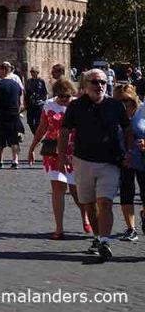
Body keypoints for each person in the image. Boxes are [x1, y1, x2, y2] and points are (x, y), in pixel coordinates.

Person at [59, 68, 134, 262]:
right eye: (95, 82)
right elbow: (65, 131)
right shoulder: (75, 107)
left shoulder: (115, 106)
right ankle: (96, 237)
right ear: (84, 86)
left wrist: (128, 152)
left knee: (105, 202)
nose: (100, 85)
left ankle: (104, 240)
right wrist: (61, 156)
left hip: (110, 162)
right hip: (83, 161)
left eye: (102, 82)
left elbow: (127, 129)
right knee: (89, 204)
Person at [28, 78, 83, 239]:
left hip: (74, 152)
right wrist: (32, 147)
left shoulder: (78, 105)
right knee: (58, 189)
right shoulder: (49, 105)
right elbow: (42, 128)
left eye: (67, 96)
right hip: (53, 152)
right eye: (61, 96)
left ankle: (85, 214)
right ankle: (59, 228)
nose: (65, 99)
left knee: (76, 191)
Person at [113, 84, 145, 242]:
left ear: (133, 97)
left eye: (126, 99)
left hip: (143, 157)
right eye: (118, 100)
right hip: (123, 158)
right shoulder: (113, 113)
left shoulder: (143, 110)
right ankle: (131, 229)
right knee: (126, 193)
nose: (123, 103)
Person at [0, 61, 25, 169]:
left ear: (4, 70)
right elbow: (20, 101)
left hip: (1, 114)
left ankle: (0, 160)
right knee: (14, 139)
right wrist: (18, 112)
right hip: (14, 115)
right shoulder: (16, 84)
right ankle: (15, 161)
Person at [25, 68, 48, 139]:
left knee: (38, 121)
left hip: (39, 104)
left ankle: (37, 136)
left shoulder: (41, 81)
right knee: (30, 121)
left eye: (33, 72)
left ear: (37, 72)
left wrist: (45, 102)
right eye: (31, 72)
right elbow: (26, 92)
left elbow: (45, 92)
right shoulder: (28, 81)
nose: (32, 73)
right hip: (30, 104)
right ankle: (36, 134)